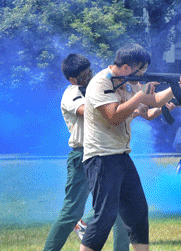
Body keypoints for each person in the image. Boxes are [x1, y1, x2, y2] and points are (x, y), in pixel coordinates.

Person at [80, 43, 181, 251]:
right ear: (125, 68)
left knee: (138, 211)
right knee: (105, 216)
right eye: (140, 69)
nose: (143, 74)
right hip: (101, 156)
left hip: (121, 155)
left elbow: (155, 101)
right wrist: (140, 97)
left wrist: (176, 87)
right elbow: (113, 116)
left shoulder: (130, 83)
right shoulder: (100, 83)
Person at [43, 54, 129, 251]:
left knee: (120, 208)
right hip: (82, 155)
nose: (90, 77)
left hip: (105, 152)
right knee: (71, 212)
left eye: (90, 72)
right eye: (84, 75)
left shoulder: (99, 86)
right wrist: (108, 96)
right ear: (73, 80)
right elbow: (88, 110)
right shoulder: (71, 94)